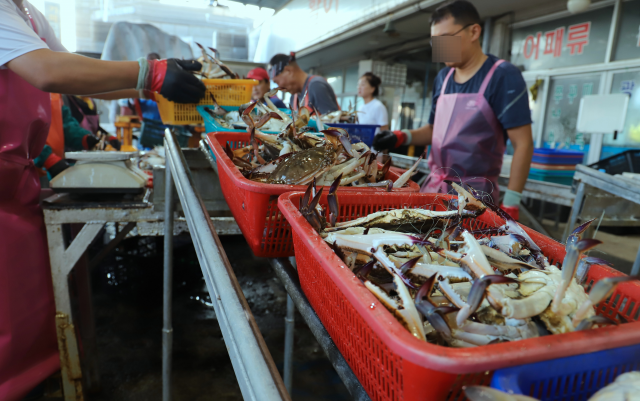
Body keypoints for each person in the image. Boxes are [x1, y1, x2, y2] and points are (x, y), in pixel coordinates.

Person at [0, 1, 204, 399]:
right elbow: (46, 71)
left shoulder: (28, 15)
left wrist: (154, 82)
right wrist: (151, 72)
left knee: (26, 324)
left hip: (15, 188)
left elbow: (73, 76)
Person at [372, 0, 533, 220]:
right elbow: (433, 129)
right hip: (434, 189)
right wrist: (401, 137)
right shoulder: (443, 79)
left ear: (474, 31)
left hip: (476, 198)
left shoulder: (502, 76)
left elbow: (523, 143)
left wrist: (512, 202)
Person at [268, 52, 340, 114]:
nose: (279, 87)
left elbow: (333, 124)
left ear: (288, 71)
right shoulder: (293, 97)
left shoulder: (316, 86)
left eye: (277, 82)